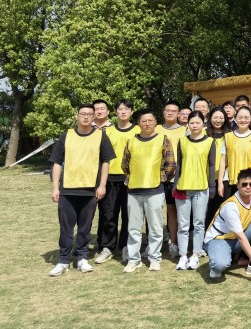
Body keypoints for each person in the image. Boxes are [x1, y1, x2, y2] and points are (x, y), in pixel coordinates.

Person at [48, 104, 115, 277]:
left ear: (94, 117)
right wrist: (55, 187)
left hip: (90, 189)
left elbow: (106, 161)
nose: (86, 117)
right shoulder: (67, 135)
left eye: (89, 114)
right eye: (83, 114)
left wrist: (102, 185)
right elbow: (57, 162)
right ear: (77, 116)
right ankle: (63, 260)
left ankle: (82, 258)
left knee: (85, 227)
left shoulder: (100, 136)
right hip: (67, 190)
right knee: (66, 227)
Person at [122, 108, 176, 273]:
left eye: (150, 120)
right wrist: (135, 177)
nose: (147, 123)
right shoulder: (131, 141)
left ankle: (155, 258)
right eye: (143, 121)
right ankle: (134, 259)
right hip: (134, 190)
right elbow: (125, 164)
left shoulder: (163, 139)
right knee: (133, 228)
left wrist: (160, 178)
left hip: (155, 190)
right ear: (138, 123)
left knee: (155, 227)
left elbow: (170, 164)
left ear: (155, 122)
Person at [94, 99, 140, 265]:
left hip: (131, 179)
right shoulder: (107, 131)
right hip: (110, 178)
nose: (123, 112)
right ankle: (107, 247)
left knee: (129, 216)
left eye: (127, 109)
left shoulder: (138, 130)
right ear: (115, 112)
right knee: (109, 214)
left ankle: (126, 246)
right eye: (120, 109)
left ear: (132, 112)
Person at [204, 168, 251, 280]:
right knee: (220, 265)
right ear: (238, 185)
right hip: (219, 239)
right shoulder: (231, 206)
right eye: (244, 184)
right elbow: (241, 237)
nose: (248, 187)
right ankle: (215, 266)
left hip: (236, 238)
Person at [173, 111, 216, 271]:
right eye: (192, 123)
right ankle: (183, 255)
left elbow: (212, 165)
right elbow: (179, 164)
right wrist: (175, 184)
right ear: (188, 124)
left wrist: (212, 186)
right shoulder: (182, 141)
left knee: (199, 223)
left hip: (201, 188)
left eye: (198, 122)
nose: (194, 125)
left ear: (203, 124)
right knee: (183, 224)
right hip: (183, 188)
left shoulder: (210, 141)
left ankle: (196, 254)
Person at [218, 106, 251, 201]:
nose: (243, 120)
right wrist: (220, 182)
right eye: (240, 117)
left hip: (249, 182)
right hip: (229, 180)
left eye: (246, 117)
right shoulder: (227, 137)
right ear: (235, 119)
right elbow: (223, 161)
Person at [160, 100, 187, 258]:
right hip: (156, 177)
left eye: (173, 111)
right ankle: (152, 243)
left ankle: (173, 242)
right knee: (154, 211)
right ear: (163, 112)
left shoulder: (185, 130)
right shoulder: (156, 128)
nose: (170, 113)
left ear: (178, 114)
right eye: (167, 110)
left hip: (175, 178)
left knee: (173, 210)